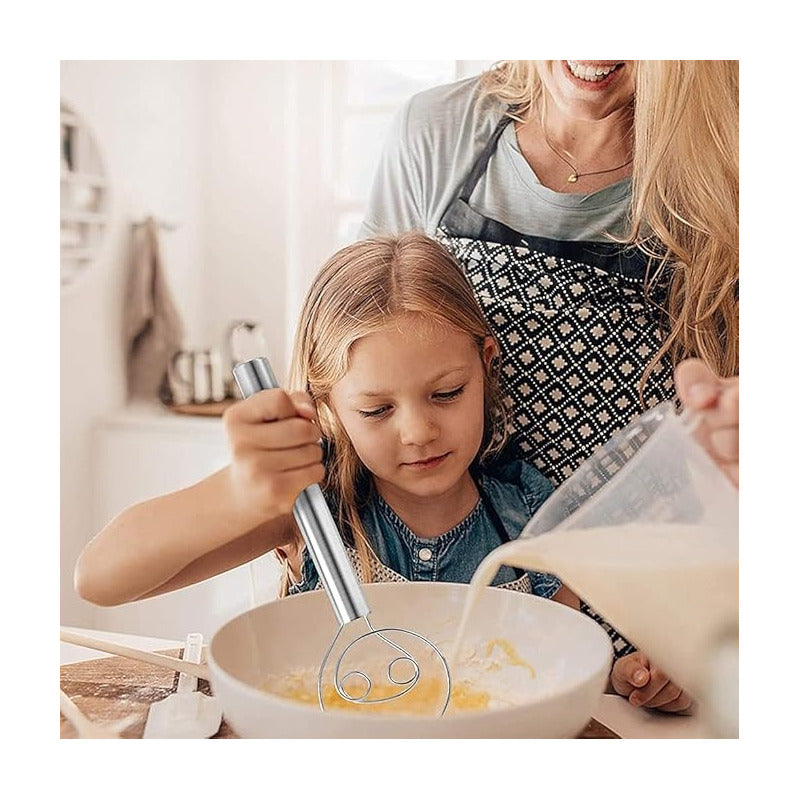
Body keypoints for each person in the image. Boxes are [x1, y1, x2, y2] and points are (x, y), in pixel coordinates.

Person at [75, 233, 691, 714]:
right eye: (376, 410)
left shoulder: (537, 520)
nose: (418, 431)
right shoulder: (315, 513)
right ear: (327, 407)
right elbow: (100, 579)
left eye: (447, 393)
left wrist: (628, 679)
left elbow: (559, 668)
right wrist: (238, 492)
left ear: (486, 364)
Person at [359, 60, 739, 698]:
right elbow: (354, 345)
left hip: (646, 624)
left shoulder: (737, 156)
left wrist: (695, 628)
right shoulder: (442, 132)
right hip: (455, 598)